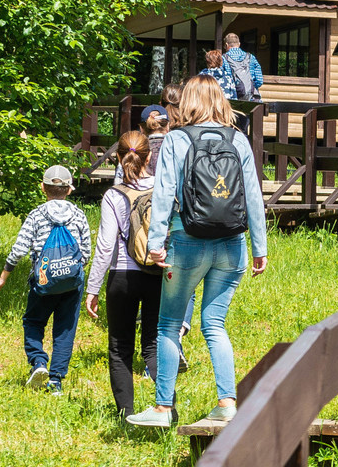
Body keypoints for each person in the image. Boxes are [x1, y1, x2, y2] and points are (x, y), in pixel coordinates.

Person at [132, 76, 268, 430]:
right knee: (215, 324)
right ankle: (226, 403)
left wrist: (156, 243)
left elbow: (164, 193)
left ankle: (163, 408)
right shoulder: (238, 139)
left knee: (168, 325)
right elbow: (253, 194)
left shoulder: (177, 139)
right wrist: (260, 246)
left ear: (187, 102)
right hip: (233, 245)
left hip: (186, 242)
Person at [0, 163, 93, 397]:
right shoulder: (78, 214)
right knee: (65, 328)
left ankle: (38, 363)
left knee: (33, 321)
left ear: (42, 188)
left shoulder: (37, 214)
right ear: (70, 189)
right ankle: (56, 380)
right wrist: (70, 270)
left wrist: (3, 276)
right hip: (72, 283)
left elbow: (19, 248)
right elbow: (86, 250)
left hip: (43, 281)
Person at [86, 131, 162, 422]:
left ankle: (125, 415)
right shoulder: (163, 188)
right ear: (149, 156)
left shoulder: (113, 195)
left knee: (120, 348)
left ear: (118, 157)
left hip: (122, 276)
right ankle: (167, 407)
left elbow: (105, 246)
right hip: (158, 273)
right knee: (154, 344)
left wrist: (93, 288)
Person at [219, 30, 264, 101]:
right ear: (239, 44)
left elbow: (222, 80)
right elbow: (259, 80)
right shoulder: (251, 57)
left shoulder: (223, 59)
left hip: (232, 100)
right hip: (251, 100)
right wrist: (249, 89)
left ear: (226, 45)